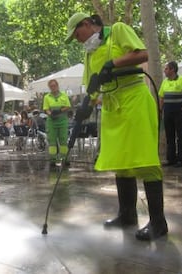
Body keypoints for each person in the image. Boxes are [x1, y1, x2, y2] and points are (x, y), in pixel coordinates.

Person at [65, 12, 167, 241]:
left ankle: (159, 223)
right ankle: (127, 215)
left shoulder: (118, 30)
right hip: (112, 107)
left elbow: (142, 54)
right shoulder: (89, 54)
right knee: (121, 162)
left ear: (86, 24)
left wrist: (113, 63)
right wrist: (85, 108)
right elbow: (93, 85)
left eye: (77, 34)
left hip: (134, 101)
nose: (77, 40)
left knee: (145, 160)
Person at [43, 79, 71, 167]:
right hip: (52, 121)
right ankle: (53, 159)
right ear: (49, 87)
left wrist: (59, 111)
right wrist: (50, 114)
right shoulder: (47, 97)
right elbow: (46, 108)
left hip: (62, 120)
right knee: (52, 141)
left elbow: (68, 106)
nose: (53, 87)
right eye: (51, 86)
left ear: (57, 86)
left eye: (54, 85)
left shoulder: (64, 95)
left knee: (63, 140)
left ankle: (64, 158)